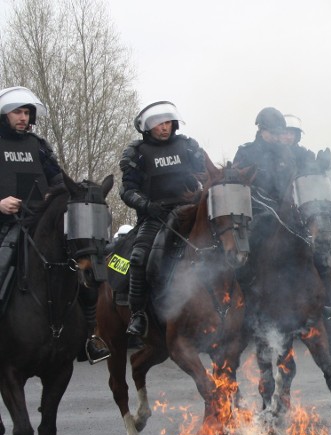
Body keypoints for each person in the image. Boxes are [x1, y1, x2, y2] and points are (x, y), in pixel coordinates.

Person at [0, 86, 110, 362]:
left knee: (81, 267)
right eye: (17, 112)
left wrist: (52, 195)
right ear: (4, 115)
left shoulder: (38, 145)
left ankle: (89, 337)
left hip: (38, 223)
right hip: (5, 224)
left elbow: (58, 180)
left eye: (27, 113)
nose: (23, 117)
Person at [120, 101, 208, 337]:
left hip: (191, 212)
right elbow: (127, 190)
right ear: (148, 127)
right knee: (138, 257)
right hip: (155, 216)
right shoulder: (136, 153)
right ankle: (138, 314)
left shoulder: (188, 147)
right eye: (159, 124)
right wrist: (147, 205)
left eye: (168, 122)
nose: (164, 128)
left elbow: (207, 174)